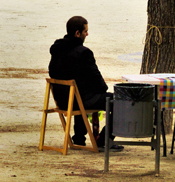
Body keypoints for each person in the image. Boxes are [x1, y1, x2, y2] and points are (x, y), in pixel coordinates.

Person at [48, 16, 122, 151]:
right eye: (85, 31)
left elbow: (52, 73)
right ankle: (104, 140)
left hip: (63, 100)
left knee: (79, 91)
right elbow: (96, 78)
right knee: (121, 102)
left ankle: (79, 138)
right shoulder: (84, 53)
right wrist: (103, 89)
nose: (87, 34)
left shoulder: (57, 51)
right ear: (77, 33)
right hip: (79, 100)